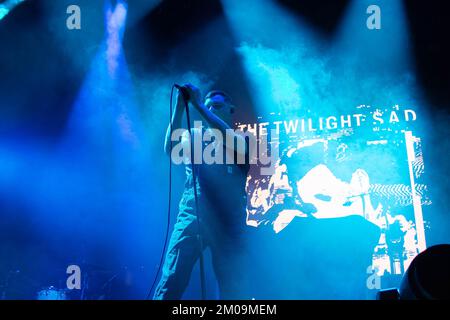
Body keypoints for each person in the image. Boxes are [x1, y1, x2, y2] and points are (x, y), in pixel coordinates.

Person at [153, 83, 251, 300]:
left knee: (233, 284)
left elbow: (229, 140)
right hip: (193, 212)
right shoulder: (194, 136)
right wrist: (180, 108)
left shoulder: (241, 139)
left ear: (230, 110)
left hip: (229, 218)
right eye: (208, 106)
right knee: (172, 277)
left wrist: (199, 105)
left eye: (216, 106)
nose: (211, 110)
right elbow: (169, 147)